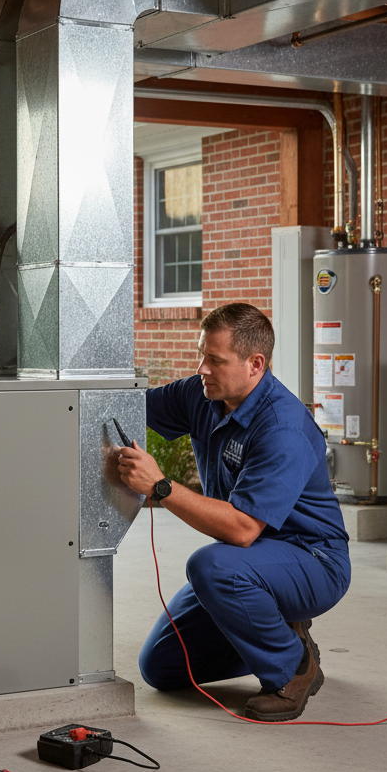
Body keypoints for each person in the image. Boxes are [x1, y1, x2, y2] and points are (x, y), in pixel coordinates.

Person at [117, 302, 350, 722]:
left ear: (254, 364)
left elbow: (242, 529)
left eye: (215, 360)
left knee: (210, 566)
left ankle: (292, 668)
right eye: (201, 355)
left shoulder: (283, 428)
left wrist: (161, 487)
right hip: (249, 562)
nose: (202, 368)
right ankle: (280, 633)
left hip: (312, 560)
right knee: (162, 667)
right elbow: (131, 405)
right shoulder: (203, 394)